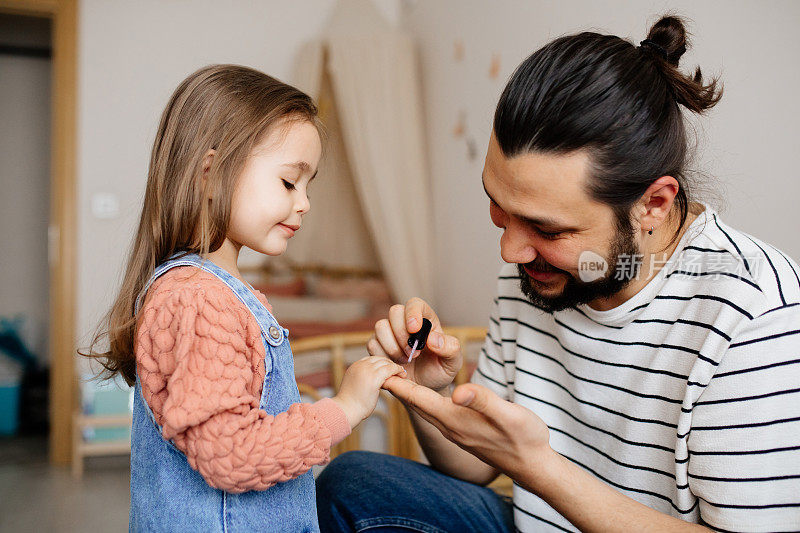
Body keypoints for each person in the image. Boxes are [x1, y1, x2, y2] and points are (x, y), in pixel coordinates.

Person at [316, 16, 800, 532]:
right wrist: (429, 395)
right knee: (354, 484)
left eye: (546, 229)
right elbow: (476, 466)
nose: (510, 250)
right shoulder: (540, 273)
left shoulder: (756, 316)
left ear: (654, 204)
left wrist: (538, 468)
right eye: (498, 206)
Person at [82, 64, 406, 532]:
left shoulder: (210, 293)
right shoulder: (196, 300)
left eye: (309, 185)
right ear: (211, 175)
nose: (305, 202)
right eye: (289, 182)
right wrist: (346, 407)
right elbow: (233, 455)